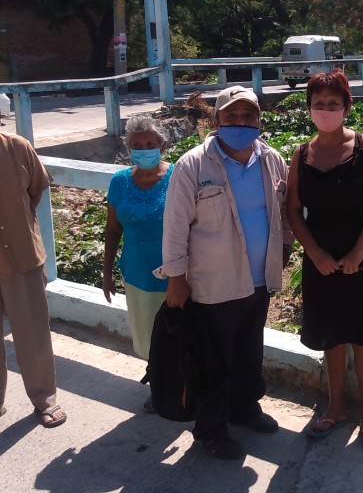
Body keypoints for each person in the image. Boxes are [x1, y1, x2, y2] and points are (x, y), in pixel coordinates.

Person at [157, 86, 293, 460]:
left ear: (258, 120)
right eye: (232, 116)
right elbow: (175, 227)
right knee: (212, 360)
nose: (240, 123)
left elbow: (282, 214)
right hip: (213, 284)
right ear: (217, 120)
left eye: (248, 116)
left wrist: (283, 252)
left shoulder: (271, 159)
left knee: (249, 351)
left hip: (258, 280)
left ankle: (244, 408)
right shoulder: (193, 165)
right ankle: (210, 429)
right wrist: (176, 278)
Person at [286, 69, 363, 451]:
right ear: (309, 108)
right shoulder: (302, 154)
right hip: (321, 260)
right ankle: (335, 407)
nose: (326, 110)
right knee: (332, 336)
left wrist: (358, 251)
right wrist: (315, 254)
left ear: (347, 106)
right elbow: (294, 209)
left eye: (334, 104)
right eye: (319, 104)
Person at [103, 115, 173, 410]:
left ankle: (182, 388)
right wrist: (106, 274)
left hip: (176, 273)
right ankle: (159, 387)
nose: (144, 149)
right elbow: (112, 230)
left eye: (150, 143)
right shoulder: (119, 182)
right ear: (128, 148)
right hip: (136, 273)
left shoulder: (178, 175)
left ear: (161, 144)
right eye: (137, 145)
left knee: (178, 334)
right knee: (147, 335)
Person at [0, 132, 66, 427]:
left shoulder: (17, 147)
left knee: (33, 334)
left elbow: (36, 191)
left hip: (22, 255)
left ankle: (44, 399)